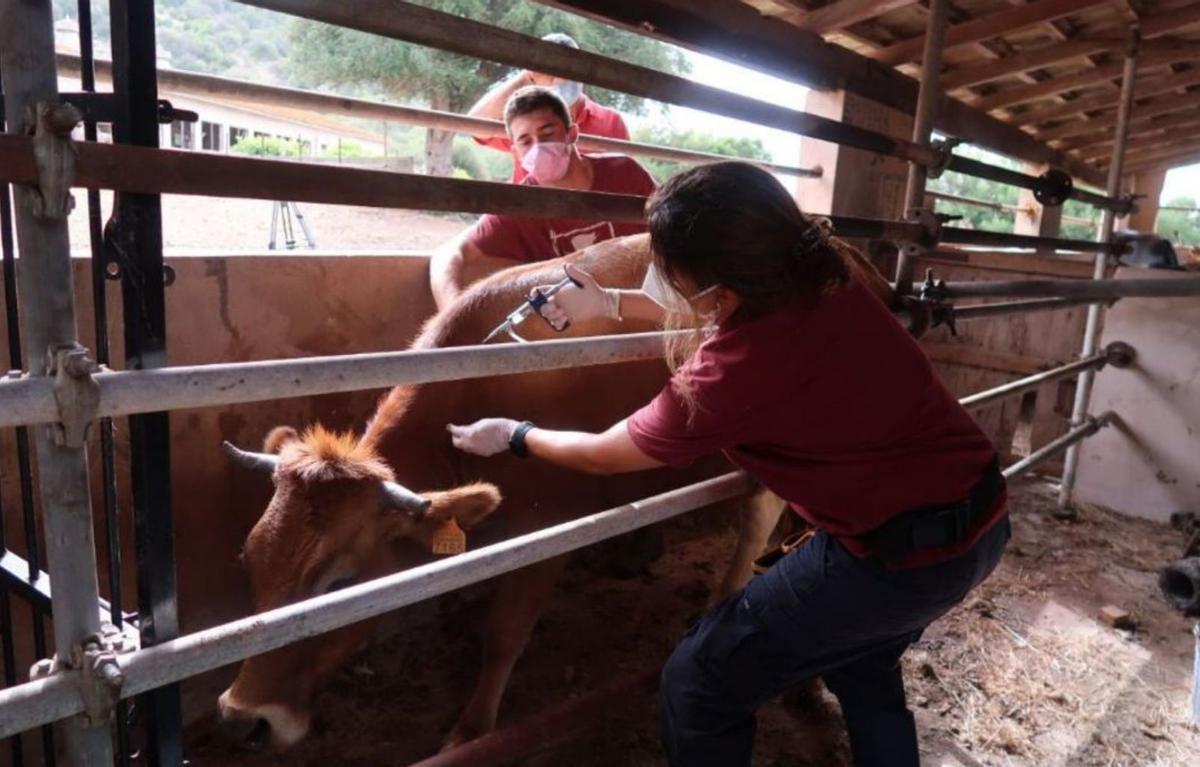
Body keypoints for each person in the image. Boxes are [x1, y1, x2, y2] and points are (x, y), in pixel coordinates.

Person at [445, 162, 1010, 767]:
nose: (659, 276)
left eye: (668, 269)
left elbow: (606, 453)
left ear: (721, 286)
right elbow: (722, 314)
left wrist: (516, 434)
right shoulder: (825, 280)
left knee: (700, 682)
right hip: (981, 519)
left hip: (893, 560)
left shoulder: (729, 375)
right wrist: (611, 303)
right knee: (863, 663)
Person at [429, 86, 655, 309]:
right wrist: (453, 311)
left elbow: (674, 223)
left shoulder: (624, 172)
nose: (538, 147)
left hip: (643, 305)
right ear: (515, 150)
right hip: (583, 321)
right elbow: (446, 256)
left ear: (572, 134)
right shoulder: (522, 203)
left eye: (547, 134)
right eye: (526, 141)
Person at [467, 32, 630, 182]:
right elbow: (474, 126)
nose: (556, 78)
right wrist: (525, 78)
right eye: (548, 70)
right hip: (530, 209)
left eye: (568, 68)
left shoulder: (611, 122)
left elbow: (624, 178)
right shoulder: (525, 121)